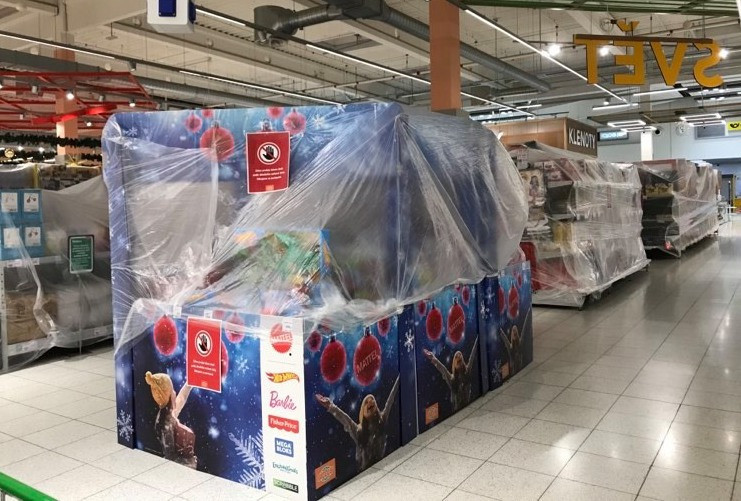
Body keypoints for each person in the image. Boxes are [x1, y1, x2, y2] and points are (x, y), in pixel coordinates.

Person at [315, 376, 400, 470]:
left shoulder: (382, 419)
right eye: (366, 402)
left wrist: (400, 377)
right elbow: (345, 420)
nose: (370, 402)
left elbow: (391, 398)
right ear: (362, 413)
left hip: (382, 464)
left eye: (372, 400)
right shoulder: (359, 431)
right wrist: (330, 405)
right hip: (364, 470)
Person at [145, 371, 197, 468]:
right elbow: (170, 457)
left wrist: (189, 384)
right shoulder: (165, 423)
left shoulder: (168, 413)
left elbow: (181, 399)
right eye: (172, 390)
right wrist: (190, 462)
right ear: (168, 394)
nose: (175, 392)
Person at [423, 337, 478, 411]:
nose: (458, 357)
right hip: (457, 410)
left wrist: (478, 338)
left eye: (460, 358)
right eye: (457, 358)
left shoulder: (466, 372)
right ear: (454, 364)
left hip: (468, 406)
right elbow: (442, 369)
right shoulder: (452, 379)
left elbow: (472, 354)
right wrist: (433, 357)